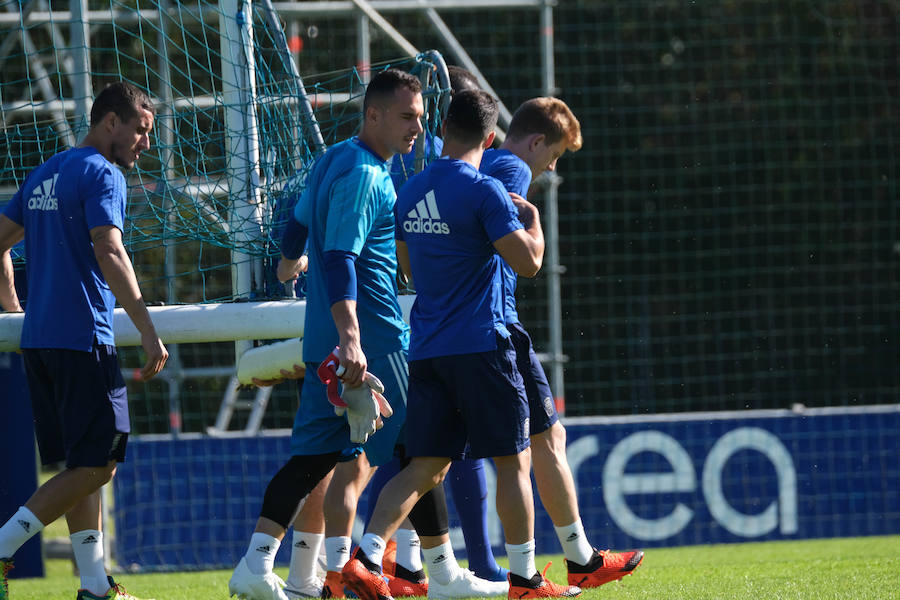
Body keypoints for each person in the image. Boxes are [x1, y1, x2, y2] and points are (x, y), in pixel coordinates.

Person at [227, 69, 502, 600]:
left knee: (315, 459)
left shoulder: (334, 158)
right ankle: (427, 572)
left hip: (320, 344)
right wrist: (353, 338)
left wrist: (288, 264)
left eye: (421, 118)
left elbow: (297, 222)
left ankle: (257, 565)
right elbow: (341, 258)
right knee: (425, 452)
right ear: (372, 114)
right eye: (406, 116)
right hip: (374, 342)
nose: (417, 129)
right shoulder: (367, 175)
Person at [341, 89, 579, 600]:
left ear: (443, 127)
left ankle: (364, 557)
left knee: (425, 465)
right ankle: (525, 581)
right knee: (513, 462)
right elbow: (528, 263)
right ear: (491, 139)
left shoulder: (409, 191)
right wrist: (533, 225)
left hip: (427, 347)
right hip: (481, 344)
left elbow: (406, 265)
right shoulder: (485, 191)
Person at [0, 81, 169, 600]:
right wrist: (145, 325)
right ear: (109, 122)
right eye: (140, 131)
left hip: (41, 345)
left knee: (82, 468)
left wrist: (13, 310)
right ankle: (4, 543)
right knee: (100, 463)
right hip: (82, 341)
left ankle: (95, 588)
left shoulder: (46, 172)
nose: (145, 143)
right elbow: (110, 251)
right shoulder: (102, 172)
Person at [480, 97, 644, 587]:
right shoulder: (510, 168)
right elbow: (519, 252)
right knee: (531, 445)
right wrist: (534, 226)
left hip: (473, 325)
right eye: (553, 157)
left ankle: (579, 557)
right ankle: (553, 569)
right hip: (496, 325)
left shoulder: (481, 159)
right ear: (535, 142)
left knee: (530, 440)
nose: (551, 168)